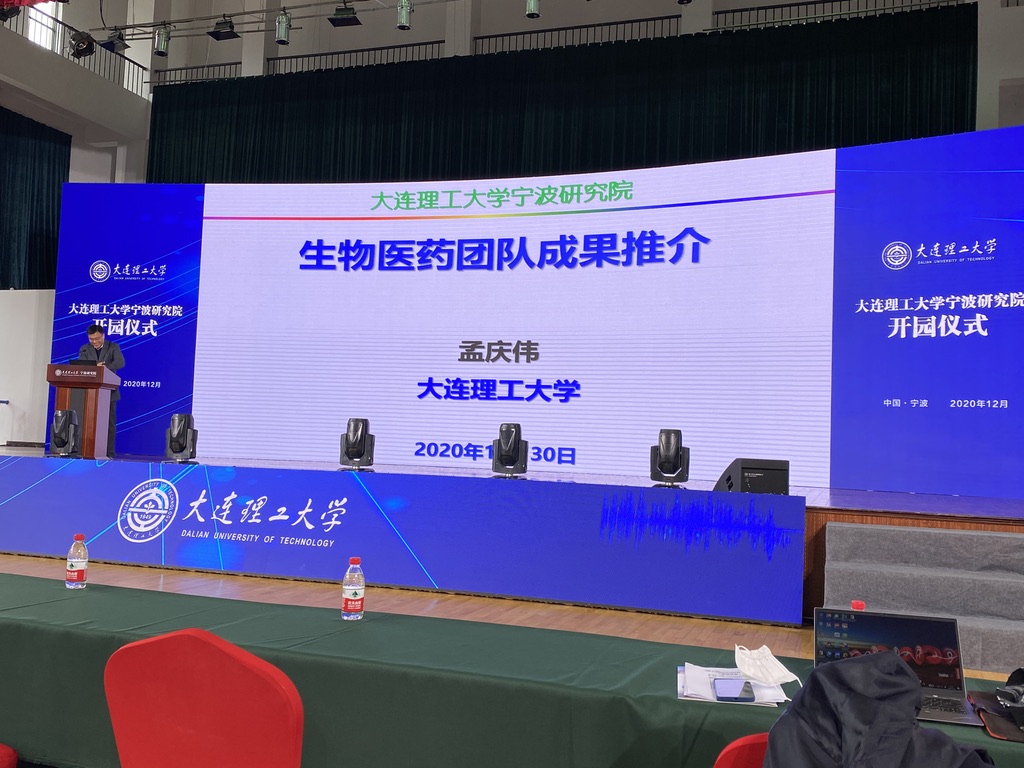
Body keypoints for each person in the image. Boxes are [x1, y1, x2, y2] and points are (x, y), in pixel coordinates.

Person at [78, 324, 125, 457]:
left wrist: (104, 368)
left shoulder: (113, 347)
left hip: (109, 392)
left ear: (103, 336)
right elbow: (81, 366)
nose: (94, 342)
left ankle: (109, 453)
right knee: (88, 422)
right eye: (91, 339)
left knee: (109, 424)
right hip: (90, 392)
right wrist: (94, 366)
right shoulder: (85, 349)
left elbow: (120, 363)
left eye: (97, 339)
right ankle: (87, 451)